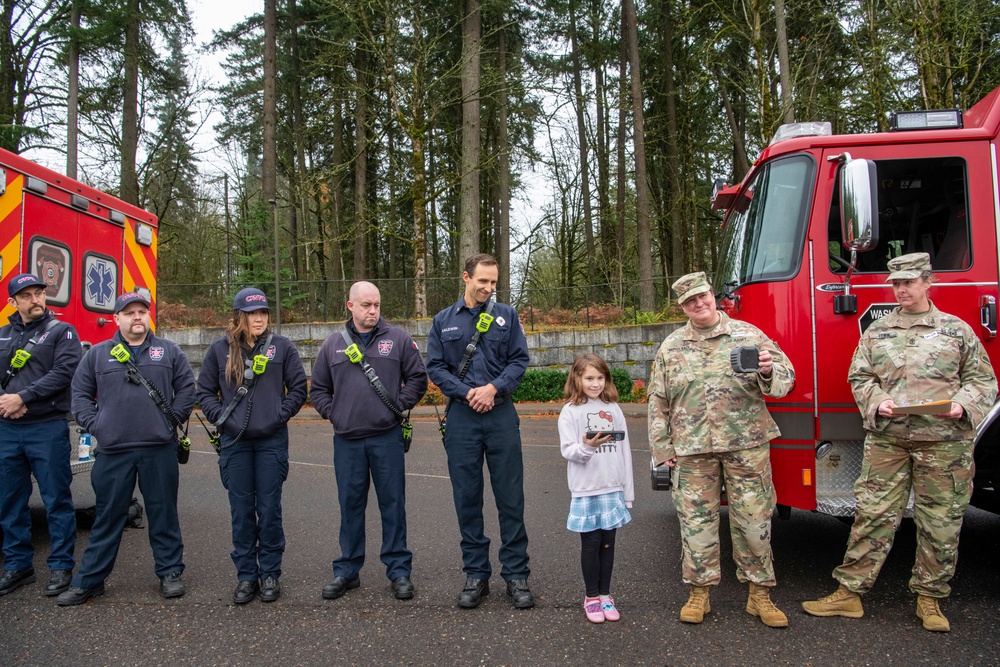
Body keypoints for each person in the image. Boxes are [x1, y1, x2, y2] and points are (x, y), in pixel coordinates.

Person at [803, 252, 997, 632]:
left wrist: (962, 404)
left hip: (944, 443)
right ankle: (849, 594)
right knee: (872, 516)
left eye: (908, 282)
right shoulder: (878, 332)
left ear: (928, 282)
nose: (901, 289)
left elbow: (983, 381)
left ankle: (930, 599)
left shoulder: (956, 330)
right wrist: (878, 401)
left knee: (940, 522)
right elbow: (860, 377)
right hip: (889, 441)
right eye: (896, 283)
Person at [648, 271, 795, 628]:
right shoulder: (672, 346)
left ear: (713, 296)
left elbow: (785, 381)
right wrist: (662, 448)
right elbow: (658, 399)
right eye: (689, 301)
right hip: (693, 450)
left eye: (702, 296)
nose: (698, 304)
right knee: (696, 524)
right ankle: (699, 592)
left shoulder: (748, 335)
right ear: (682, 307)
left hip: (746, 447)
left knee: (754, 521)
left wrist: (766, 370)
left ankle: (759, 593)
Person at [57, 292, 196, 606]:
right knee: (108, 516)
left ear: (148, 317)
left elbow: (187, 388)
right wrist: (98, 425)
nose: (137, 317)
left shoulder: (169, 351)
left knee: (164, 514)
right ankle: (90, 580)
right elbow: (79, 394)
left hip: (158, 449)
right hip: (113, 450)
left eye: (141, 312)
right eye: (129, 312)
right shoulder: (97, 355)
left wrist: (172, 419)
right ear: (116, 318)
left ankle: (170, 572)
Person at [426, 253, 534, 610]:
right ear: (466, 278)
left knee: (510, 498)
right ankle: (476, 574)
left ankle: (516, 575)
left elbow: (519, 360)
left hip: (501, 414)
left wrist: (493, 388)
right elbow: (436, 367)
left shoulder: (508, 316)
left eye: (493, 282)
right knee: (467, 499)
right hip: (462, 418)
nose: (488, 288)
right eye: (482, 281)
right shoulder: (443, 320)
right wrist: (468, 393)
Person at [311, 281, 427, 601]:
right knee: (350, 507)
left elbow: (418, 378)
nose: (373, 311)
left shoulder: (399, 339)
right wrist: (335, 414)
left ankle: (399, 570)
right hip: (347, 442)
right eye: (366, 305)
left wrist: (398, 406)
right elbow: (318, 390)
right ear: (350, 306)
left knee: (393, 505)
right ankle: (347, 570)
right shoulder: (333, 344)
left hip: (386, 438)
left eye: (376, 305)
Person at [196, 288, 307, 604]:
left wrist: (278, 416)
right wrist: (223, 419)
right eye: (252, 313)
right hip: (235, 442)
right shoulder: (219, 351)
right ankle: (246, 576)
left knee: (269, 510)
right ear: (238, 316)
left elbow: (298, 389)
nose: (259, 318)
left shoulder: (281, 347)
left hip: (271, 442)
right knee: (241, 512)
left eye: (263, 312)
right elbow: (204, 392)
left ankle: (270, 573)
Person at [0, 274, 82, 597]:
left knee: (56, 499)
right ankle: (18, 564)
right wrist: (6, 402)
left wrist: (23, 398)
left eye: (39, 293)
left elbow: (64, 372)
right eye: (27, 296)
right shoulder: (3, 335)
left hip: (46, 427)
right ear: (13, 302)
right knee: (9, 500)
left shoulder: (62, 332)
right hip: (7, 428)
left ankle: (61, 566)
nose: (36, 300)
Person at [558, 353, 634, 624]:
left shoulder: (613, 408)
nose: (595, 383)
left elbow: (624, 451)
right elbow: (568, 451)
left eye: (600, 378)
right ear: (577, 378)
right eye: (589, 378)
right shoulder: (570, 411)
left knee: (608, 543)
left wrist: (627, 492)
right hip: (586, 489)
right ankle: (591, 598)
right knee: (590, 544)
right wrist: (588, 448)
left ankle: (605, 595)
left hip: (612, 487)